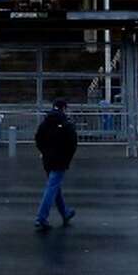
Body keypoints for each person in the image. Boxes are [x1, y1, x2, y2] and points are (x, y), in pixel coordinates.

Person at [33, 97, 78, 231]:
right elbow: (72, 143)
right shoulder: (66, 123)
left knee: (54, 186)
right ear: (64, 108)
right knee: (52, 187)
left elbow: (38, 139)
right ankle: (41, 217)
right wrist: (67, 158)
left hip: (47, 159)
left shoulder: (45, 122)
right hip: (61, 159)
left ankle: (65, 212)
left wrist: (44, 152)